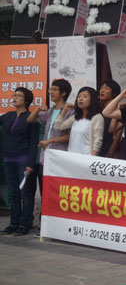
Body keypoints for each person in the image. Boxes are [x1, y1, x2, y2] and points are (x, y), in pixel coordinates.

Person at [0, 88, 39, 236]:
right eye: (14, 95)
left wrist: (30, 163)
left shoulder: (31, 117)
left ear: (26, 100)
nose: (15, 98)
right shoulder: (8, 116)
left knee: (25, 193)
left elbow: (34, 142)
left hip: (23, 160)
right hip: (8, 159)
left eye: (19, 96)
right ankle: (13, 223)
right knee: (13, 193)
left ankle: (24, 224)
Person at [26, 79, 73, 197]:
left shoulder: (70, 111)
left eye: (54, 90)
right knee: (45, 192)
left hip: (60, 156)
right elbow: (30, 119)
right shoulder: (50, 111)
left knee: (57, 193)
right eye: (50, 89)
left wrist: (51, 140)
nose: (50, 92)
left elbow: (69, 136)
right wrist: (38, 109)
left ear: (63, 93)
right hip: (46, 157)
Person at [53, 87, 104, 155]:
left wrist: (92, 158)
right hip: (72, 155)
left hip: (86, 156)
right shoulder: (76, 117)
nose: (81, 99)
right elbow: (58, 126)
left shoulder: (97, 117)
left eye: (85, 97)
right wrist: (64, 110)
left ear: (92, 100)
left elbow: (97, 141)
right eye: (79, 96)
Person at [98, 79, 122, 158]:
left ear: (114, 93)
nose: (102, 90)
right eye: (101, 88)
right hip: (97, 148)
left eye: (106, 88)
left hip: (107, 152)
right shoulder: (98, 109)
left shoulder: (119, 111)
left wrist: (110, 152)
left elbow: (118, 132)